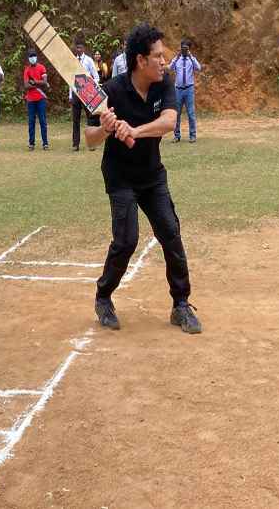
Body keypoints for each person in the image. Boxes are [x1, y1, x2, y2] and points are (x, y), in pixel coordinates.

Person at [85, 23, 201, 334]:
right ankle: (103, 296)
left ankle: (180, 305)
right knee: (126, 241)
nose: (164, 62)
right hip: (120, 177)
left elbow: (168, 121)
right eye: (158, 56)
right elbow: (89, 138)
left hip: (152, 175)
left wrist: (135, 130)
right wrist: (106, 128)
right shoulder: (110, 91)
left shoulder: (165, 84)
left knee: (170, 233)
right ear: (140, 60)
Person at [169, 39, 201, 143]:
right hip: (178, 89)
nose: (183, 50)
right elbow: (170, 68)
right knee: (176, 114)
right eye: (182, 47)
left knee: (191, 113)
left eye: (186, 48)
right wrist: (177, 56)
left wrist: (191, 56)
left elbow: (198, 68)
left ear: (188, 49)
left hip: (189, 89)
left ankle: (192, 135)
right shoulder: (177, 59)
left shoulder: (191, 60)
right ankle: (177, 136)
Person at [70, 40, 98, 151]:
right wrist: (70, 95)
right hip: (76, 92)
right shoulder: (73, 61)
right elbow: (70, 78)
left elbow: (96, 77)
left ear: (84, 49)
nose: (79, 50)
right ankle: (75, 144)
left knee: (90, 119)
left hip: (87, 93)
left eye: (80, 48)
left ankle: (92, 143)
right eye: (77, 48)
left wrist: (89, 85)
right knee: (75, 120)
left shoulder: (89, 60)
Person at [23, 48, 49, 151]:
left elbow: (45, 82)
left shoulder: (42, 67)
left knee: (43, 121)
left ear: (36, 57)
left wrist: (34, 82)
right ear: (28, 58)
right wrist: (39, 83)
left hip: (41, 98)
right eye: (30, 56)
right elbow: (26, 85)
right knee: (31, 121)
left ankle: (45, 143)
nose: (32, 58)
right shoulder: (27, 69)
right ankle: (31, 143)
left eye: (33, 55)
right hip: (30, 99)